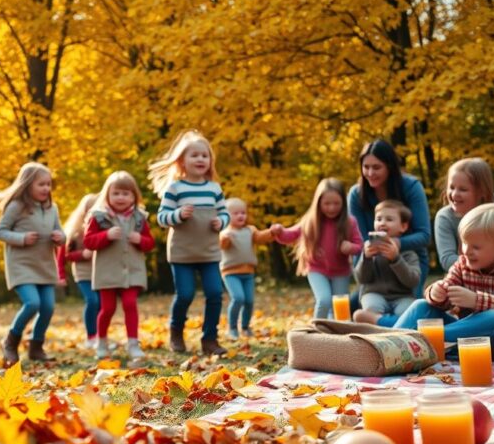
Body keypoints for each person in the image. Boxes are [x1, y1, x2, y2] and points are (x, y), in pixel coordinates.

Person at [393, 204, 494, 360]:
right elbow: (444, 297)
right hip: (470, 341)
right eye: (464, 243)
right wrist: (436, 293)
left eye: (475, 247)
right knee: (422, 306)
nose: (466, 251)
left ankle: (420, 340)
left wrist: (476, 300)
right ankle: (383, 346)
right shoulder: (464, 263)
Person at [149, 130, 229, 355]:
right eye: (195, 155)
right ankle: (176, 332)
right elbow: (162, 217)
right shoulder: (175, 188)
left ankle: (210, 339)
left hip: (209, 252)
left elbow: (225, 214)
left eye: (205, 155)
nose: (200, 159)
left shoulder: (214, 188)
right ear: (182, 160)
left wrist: (220, 222)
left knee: (215, 293)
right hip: (182, 253)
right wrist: (178, 215)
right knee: (185, 295)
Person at [0, 163, 65, 363]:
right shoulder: (17, 206)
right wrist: (22, 238)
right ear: (27, 185)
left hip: (44, 265)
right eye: (41, 184)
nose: (46, 189)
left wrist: (60, 237)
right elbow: (1, 231)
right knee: (32, 303)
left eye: (48, 184)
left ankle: (36, 347)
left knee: (48, 307)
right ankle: (10, 341)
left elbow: (62, 234)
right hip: (21, 264)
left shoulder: (53, 208)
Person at [83, 171, 155, 361]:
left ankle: (133, 343)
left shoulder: (139, 218)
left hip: (132, 271)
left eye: (126, 193)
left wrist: (140, 239)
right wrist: (105, 236)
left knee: (130, 304)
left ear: (134, 196)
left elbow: (150, 243)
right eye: (116, 193)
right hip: (107, 272)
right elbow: (88, 242)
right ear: (107, 195)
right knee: (107, 308)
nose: (121, 197)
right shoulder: (98, 217)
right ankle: (102, 342)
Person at [348, 139, 431, 297]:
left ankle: (379, 320)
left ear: (390, 167)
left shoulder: (411, 187)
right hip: (374, 266)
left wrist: (394, 244)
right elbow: (359, 239)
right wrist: (363, 271)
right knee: (354, 306)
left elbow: (424, 236)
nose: (370, 173)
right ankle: (377, 319)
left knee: (409, 311)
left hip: (408, 262)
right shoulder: (356, 195)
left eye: (377, 167)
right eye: (366, 167)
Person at [273, 178, 363, 319]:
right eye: (327, 203)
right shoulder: (311, 221)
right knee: (324, 300)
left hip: (340, 271)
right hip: (316, 269)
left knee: (340, 306)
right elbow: (290, 235)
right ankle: (316, 331)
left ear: (343, 203)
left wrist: (350, 247)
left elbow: (359, 246)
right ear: (318, 202)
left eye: (336, 203)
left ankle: (339, 334)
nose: (331, 208)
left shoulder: (349, 222)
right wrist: (279, 232)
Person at [352, 200, 420, 325]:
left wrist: (396, 259)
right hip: (374, 293)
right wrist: (366, 258)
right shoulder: (369, 251)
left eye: (389, 219)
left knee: (408, 312)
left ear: (403, 227)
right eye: (378, 219)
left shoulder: (409, 254)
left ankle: (388, 324)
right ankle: (390, 325)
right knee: (371, 306)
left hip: (402, 297)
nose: (382, 223)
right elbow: (361, 279)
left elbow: (413, 281)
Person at [219, 197, 275, 338]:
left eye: (243, 213)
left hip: (248, 272)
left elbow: (261, 237)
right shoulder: (225, 232)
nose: (240, 216)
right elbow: (221, 245)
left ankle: (245, 327)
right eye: (236, 213)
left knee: (249, 301)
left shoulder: (250, 230)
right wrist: (226, 238)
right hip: (230, 273)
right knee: (238, 298)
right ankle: (232, 328)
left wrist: (272, 232)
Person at [435, 157, 494, 272]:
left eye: (463, 189)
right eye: (451, 187)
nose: (454, 194)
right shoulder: (445, 217)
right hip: (464, 277)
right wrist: (479, 267)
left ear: (482, 192)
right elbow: (447, 259)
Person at [58, 193, 100, 350]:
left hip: (101, 272)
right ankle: (91, 336)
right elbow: (64, 254)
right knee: (92, 301)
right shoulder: (74, 231)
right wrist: (82, 254)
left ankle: (100, 336)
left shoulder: (103, 227)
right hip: (82, 273)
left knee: (103, 305)